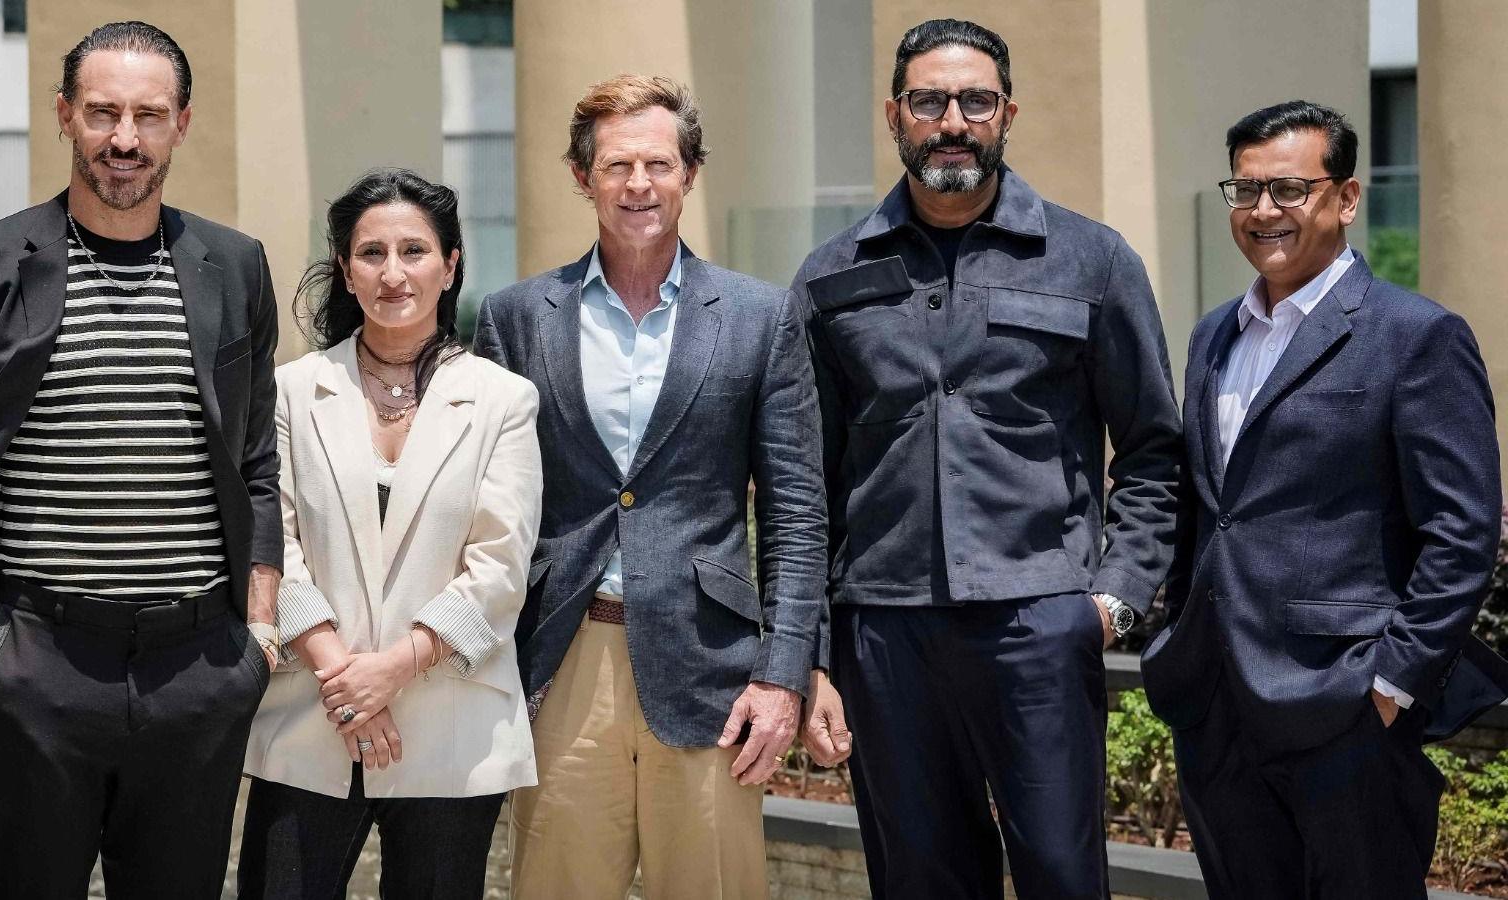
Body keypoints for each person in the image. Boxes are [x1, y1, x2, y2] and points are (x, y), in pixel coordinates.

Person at [790, 19, 1182, 899]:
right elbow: (803, 487)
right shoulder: (831, 276)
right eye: (929, 101)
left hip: (1039, 623)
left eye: (975, 101)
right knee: (921, 878)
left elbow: (1155, 450)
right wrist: (814, 652)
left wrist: (1112, 601)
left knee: (1060, 873)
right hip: (884, 630)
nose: (952, 121)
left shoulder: (1093, 261)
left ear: (1008, 113)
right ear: (896, 114)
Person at [0, 21, 282, 897]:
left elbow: (257, 455)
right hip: (38, 662)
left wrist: (258, 630)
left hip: (199, 668)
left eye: (148, 116)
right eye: (103, 112)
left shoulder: (233, 266)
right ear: (65, 115)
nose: (125, 138)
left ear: (180, 124)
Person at [473, 74, 833, 900]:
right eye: (618, 166)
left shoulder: (759, 316)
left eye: (660, 165)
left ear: (689, 173)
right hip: (564, 660)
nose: (640, 185)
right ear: (582, 176)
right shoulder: (518, 317)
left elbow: (796, 514)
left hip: (711, 668)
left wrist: (782, 676)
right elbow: (490, 503)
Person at [1141, 100, 1508, 899]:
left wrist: (1387, 687)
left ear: (1344, 199)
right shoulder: (1213, 334)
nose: (1263, 211)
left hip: (1345, 713)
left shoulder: (1416, 336)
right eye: (1245, 191)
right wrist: (1175, 640)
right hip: (1218, 710)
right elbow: (1209, 510)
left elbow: (1463, 530)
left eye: (1287, 189)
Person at [235, 169, 541, 899]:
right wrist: (346, 678)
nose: (393, 273)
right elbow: (274, 542)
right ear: (345, 269)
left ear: (451, 264)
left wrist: (395, 667)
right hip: (312, 715)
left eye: (415, 251)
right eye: (371, 253)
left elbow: (500, 564)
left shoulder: (504, 400)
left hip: (451, 724)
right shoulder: (290, 390)